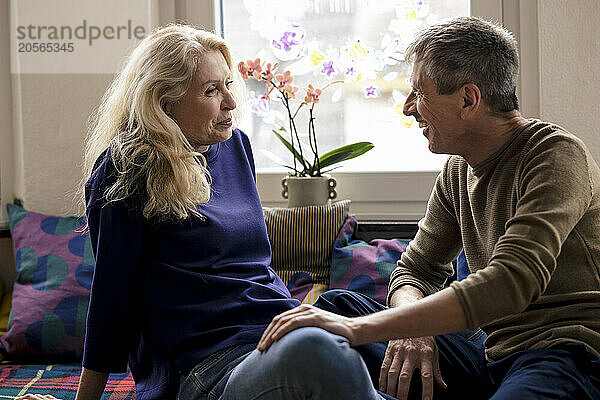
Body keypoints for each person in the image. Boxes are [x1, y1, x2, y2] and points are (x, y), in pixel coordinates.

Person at [17, 24, 401, 400]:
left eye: (228, 85)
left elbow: (254, 268)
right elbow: (111, 300)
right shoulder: (128, 167)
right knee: (317, 348)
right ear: (165, 101)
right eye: (211, 90)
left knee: (375, 324)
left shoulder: (236, 147)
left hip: (278, 332)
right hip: (208, 367)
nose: (231, 102)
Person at [257, 17, 600, 400]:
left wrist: (361, 331)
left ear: (468, 99)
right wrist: (412, 329)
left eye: (419, 93)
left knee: (351, 326)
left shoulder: (555, 155)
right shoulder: (458, 170)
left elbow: (512, 281)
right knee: (337, 307)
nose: (408, 108)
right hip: (489, 353)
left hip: (566, 352)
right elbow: (414, 270)